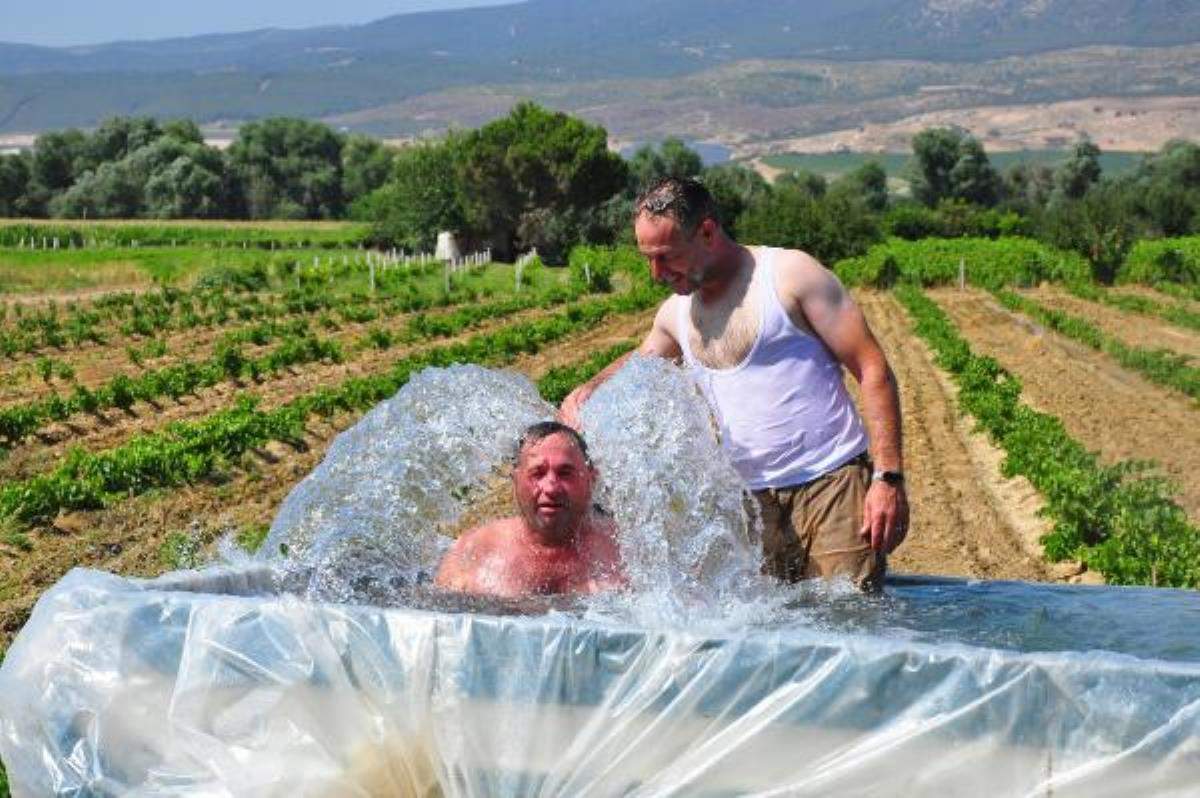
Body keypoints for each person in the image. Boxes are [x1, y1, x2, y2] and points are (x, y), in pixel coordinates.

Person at [560, 176, 908, 591]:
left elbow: (872, 367)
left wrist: (887, 478)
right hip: (748, 506)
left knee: (849, 623)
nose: (655, 273)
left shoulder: (789, 277)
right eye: (647, 259)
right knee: (763, 637)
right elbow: (640, 362)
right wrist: (590, 388)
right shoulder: (676, 313)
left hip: (830, 486)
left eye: (666, 256)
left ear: (707, 231)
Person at [435, 421, 625, 598]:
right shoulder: (471, 553)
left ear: (591, 479)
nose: (551, 487)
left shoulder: (628, 552)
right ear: (516, 480)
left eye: (565, 473)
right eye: (537, 473)